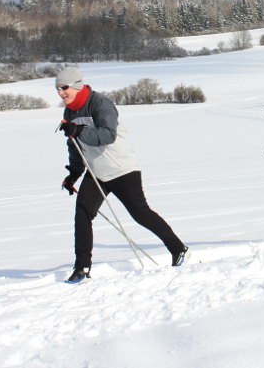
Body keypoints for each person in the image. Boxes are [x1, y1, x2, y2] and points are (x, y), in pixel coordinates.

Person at [55, 66, 189, 283]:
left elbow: (108, 135)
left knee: (140, 213)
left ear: (77, 86)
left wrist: (79, 130)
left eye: (64, 88)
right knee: (82, 214)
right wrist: (73, 173)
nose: (61, 93)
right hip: (97, 172)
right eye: (58, 89)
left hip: (121, 168)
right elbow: (75, 145)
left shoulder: (100, 103)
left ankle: (178, 249)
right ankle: (82, 268)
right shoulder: (69, 111)